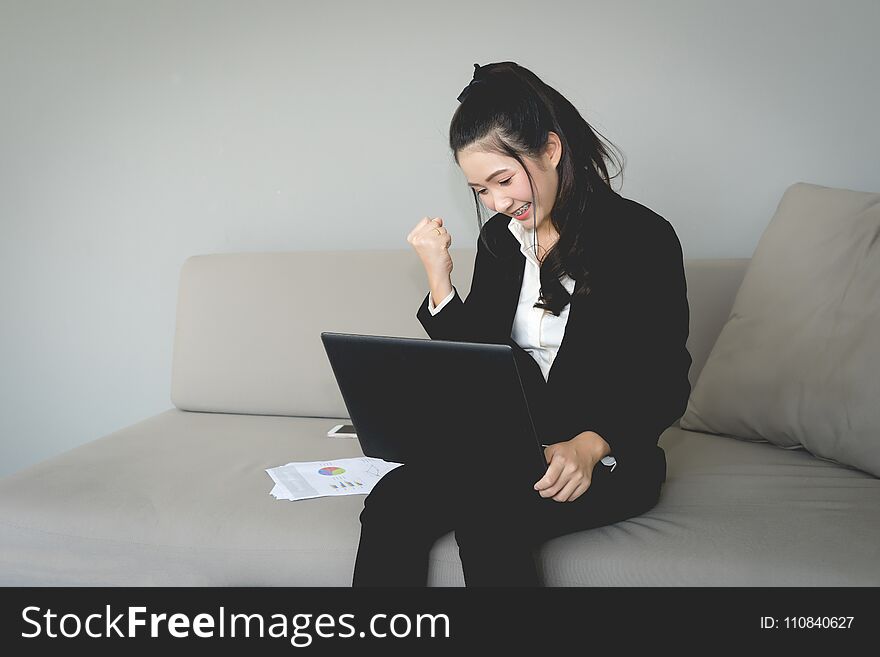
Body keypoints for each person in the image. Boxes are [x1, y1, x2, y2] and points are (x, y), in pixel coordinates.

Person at [352, 61, 692, 587]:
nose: (498, 203)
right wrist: (441, 281)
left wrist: (593, 442)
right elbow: (478, 366)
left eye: (503, 180)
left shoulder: (641, 238)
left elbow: (666, 379)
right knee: (392, 501)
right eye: (480, 190)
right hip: (509, 449)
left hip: (602, 455)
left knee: (490, 516)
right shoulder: (498, 243)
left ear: (551, 151)